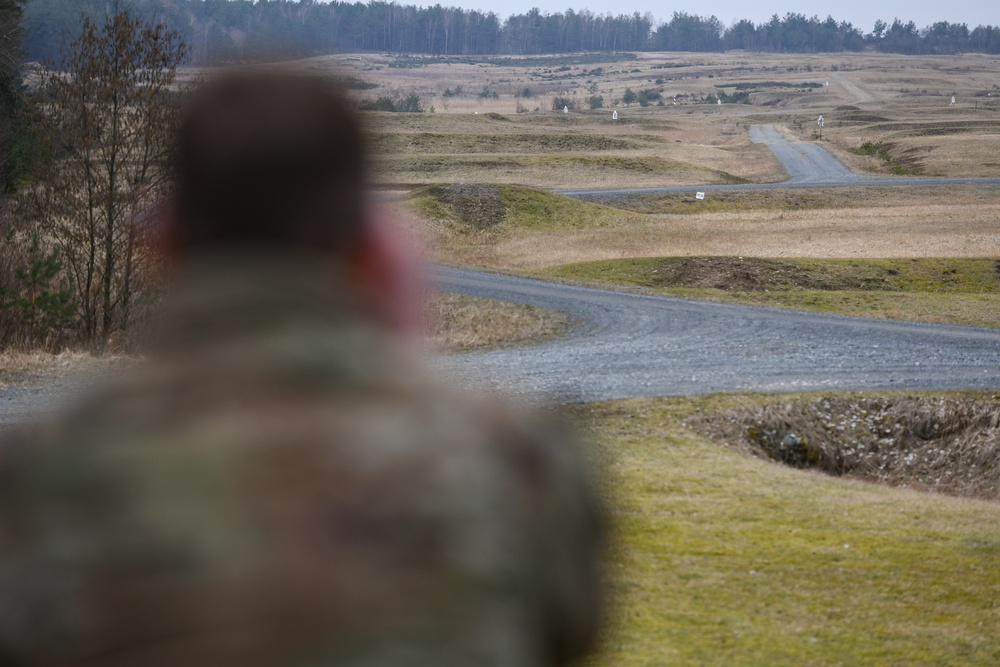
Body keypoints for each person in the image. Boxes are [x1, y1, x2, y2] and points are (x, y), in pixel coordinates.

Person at [0, 71, 604, 666]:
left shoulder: (42, 474)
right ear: (371, 246)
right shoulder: (516, 461)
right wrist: (399, 366)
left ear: (162, 247)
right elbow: (562, 633)